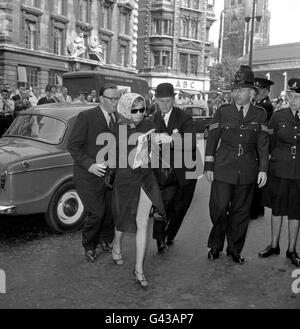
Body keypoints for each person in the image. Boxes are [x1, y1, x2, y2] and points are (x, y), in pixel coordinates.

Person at [204, 65, 269, 264]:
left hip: (247, 169)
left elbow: (263, 144)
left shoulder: (259, 114)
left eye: (240, 90)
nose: (236, 93)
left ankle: (234, 249)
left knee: (241, 212)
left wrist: (263, 169)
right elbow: (213, 139)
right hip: (223, 167)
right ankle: (215, 245)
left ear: (251, 93)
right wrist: (208, 165)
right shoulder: (223, 112)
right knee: (219, 207)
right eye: (234, 89)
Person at [111, 93, 166, 288]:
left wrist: (161, 143)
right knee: (123, 217)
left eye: (142, 109)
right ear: (125, 109)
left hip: (146, 177)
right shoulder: (116, 127)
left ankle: (139, 269)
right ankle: (116, 245)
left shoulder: (149, 124)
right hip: (126, 178)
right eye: (134, 110)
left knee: (142, 222)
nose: (139, 114)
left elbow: (157, 154)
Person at [67, 83, 120, 262]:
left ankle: (105, 240)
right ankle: (89, 246)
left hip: (110, 175)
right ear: (101, 99)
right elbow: (73, 146)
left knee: (110, 211)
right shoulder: (86, 116)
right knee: (96, 212)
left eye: (117, 98)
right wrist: (90, 165)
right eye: (111, 99)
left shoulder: (118, 118)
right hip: (88, 175)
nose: (115, 102)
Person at [151, 83, 199, 253]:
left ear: (174, 99)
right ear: (156, 100)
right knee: (162, 204)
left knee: (180, 208)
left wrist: (171, 140)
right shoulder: (153, 118)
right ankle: (159, 239)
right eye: (161, 101)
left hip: (186, 170)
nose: (164, 105)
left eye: (168, 101)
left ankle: (169, 236)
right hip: (164, 171)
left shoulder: (184, 117)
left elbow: (192, 142)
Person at [259, 78, 300, 267]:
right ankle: (274, 244)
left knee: (295, 211)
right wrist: (267, 166)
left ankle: (291, 249)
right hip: (280, 169)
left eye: (296, 96)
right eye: (290, 95)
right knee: (277, 209)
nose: (292, 99)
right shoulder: (278, 116)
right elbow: (269, 142)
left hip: (298, 172)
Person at [250, 77, 275, 220]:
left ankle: (254, 209)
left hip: (258, 146)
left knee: (256, 180)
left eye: (259, 90)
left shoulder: (265, 106)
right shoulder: (260, 103)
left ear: (266, 91)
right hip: (258, 146)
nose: (256, 92)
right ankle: (257, 209)